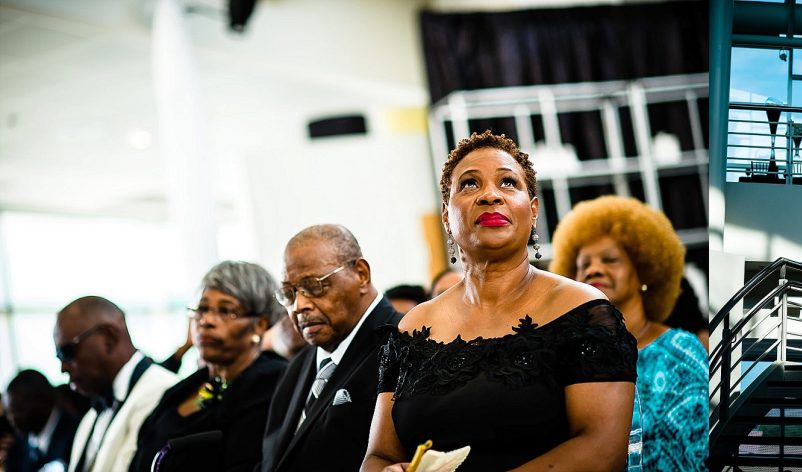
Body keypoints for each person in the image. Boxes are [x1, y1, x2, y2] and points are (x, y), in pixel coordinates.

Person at [362, 131, 638, 471]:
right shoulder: (412, 327)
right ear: (447, 216)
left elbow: (602, 450)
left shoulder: (582, 310)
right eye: (469, 184)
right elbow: (378, 456)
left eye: (507, 183)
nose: (490, 195)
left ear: (533, 209)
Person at [549, 195, 709, 471]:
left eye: (610, 260)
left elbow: (694, 450)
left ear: (643, 271)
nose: (594, 269)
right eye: (583, 265)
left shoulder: (681, 349)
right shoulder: (567, 359)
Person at [260, 224, 403, 472]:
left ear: (361, 274)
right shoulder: (297, 366)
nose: (299, 305)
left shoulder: (404, 343)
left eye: (314, 286)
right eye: (289, 294)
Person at [130, 261, 288, 472]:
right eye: (202, 309)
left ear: (259, 324)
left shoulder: (271, 382)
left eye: (225, 311)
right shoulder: (188, 385)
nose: (206, 321)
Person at [54, 296, 177, 472]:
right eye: (59, 356)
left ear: (109, 337)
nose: (63, 368)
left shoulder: (167, 392)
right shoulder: (91, 417)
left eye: (67, 352)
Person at [3, 370, 81, 472]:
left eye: (18, 409)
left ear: (42, 400)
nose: (12, 418)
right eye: (8, 413)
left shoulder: (78, 433)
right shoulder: (16, 449)